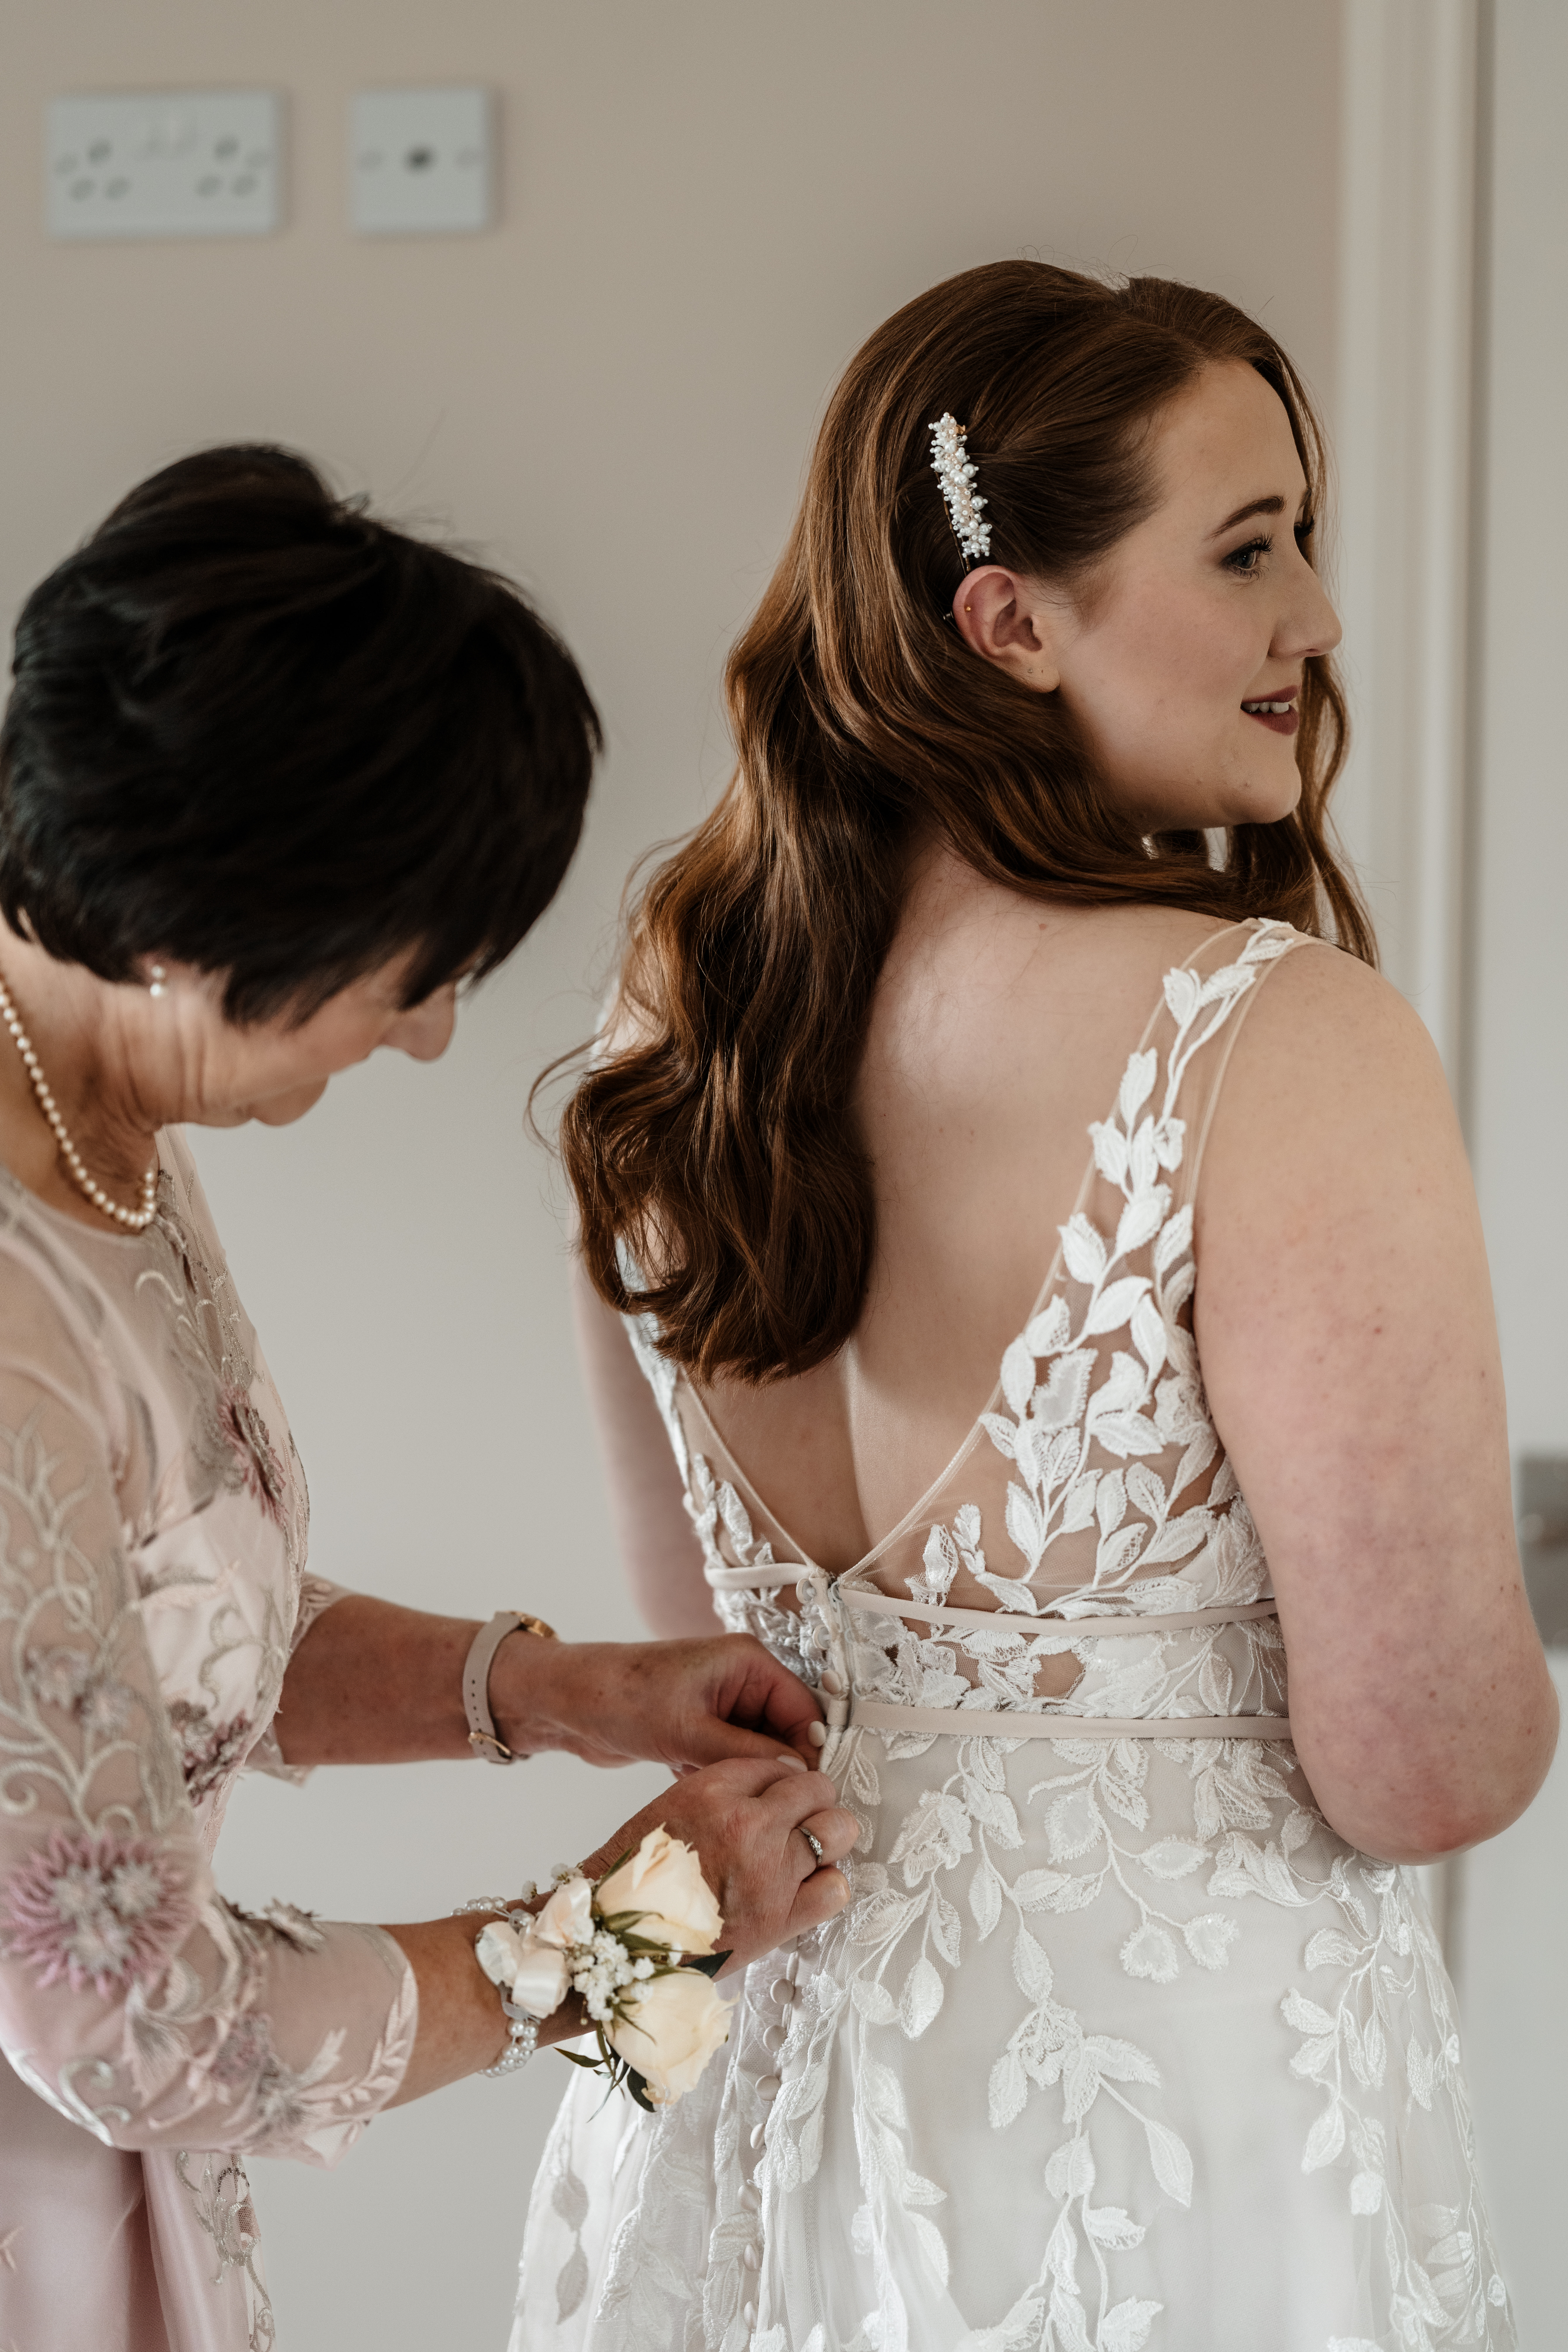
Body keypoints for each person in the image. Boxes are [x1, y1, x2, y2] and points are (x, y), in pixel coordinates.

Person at [517, 262, 1558, 2351]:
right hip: (1152, 2131)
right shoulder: (1279, 1037)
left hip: (721, 2061)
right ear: (1010, 623)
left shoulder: (677, 1015)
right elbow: (1424, 1773)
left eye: (1307, 543)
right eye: (1246, 548)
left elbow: (710, 1680)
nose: (1316, 623)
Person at [0, 447, 857, 2352]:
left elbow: (118, 1662)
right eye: (411, 968)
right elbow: (137, 2021)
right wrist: (625, 1941)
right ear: (194, 925)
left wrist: (553, 1693)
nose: (434, 1032)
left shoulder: (102, 1118)